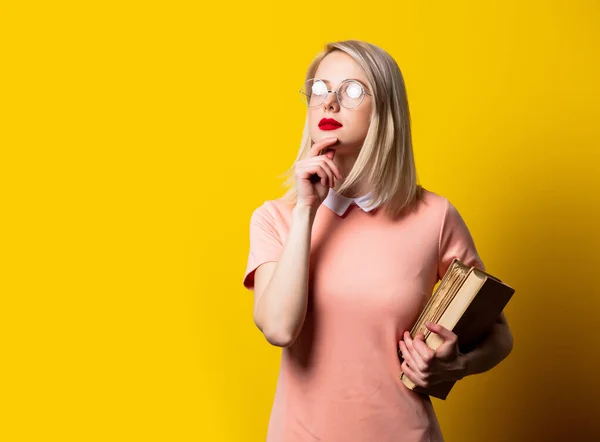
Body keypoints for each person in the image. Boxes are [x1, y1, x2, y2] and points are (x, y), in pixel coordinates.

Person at [242, 40, 513, 442]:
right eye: (320, 89)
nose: (330, 103)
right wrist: (306, 211)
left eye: (351, 91)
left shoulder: (434, 216)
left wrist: (456, 365)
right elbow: (279, 329)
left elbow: (500, 333)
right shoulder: (276, 218)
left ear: (385, 110)